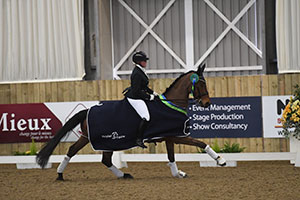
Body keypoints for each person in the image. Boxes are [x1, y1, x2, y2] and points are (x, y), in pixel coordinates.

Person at [123, 51, 158, 148]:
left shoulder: (140, 70)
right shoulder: (137, 73)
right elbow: (137, 91)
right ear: (138, 62)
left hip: (139, 95)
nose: (146, 62)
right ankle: (138, 139)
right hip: (134, 98)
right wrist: (148, 97)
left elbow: (144, 86)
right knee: (146, 117)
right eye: (144, 61)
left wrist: (153, 93)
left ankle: (149, 135)